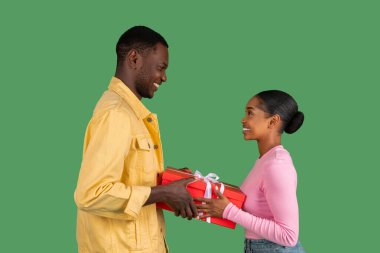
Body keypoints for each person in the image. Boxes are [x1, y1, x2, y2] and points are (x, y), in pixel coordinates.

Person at [74, 26, 197, 253]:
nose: (164, 77)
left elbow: (130, 178)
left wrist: (167, 183)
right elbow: (91, 194)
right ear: (134, 58)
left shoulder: (131, 114)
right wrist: (163, 193)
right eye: (161, 67)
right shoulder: (116, 114)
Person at [195, 90, 306, 253]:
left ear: (273, 121)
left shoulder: (277, 165)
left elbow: (289, 235)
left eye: (250, 113)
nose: (243, 119)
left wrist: (229, 212)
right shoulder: (265, 160)